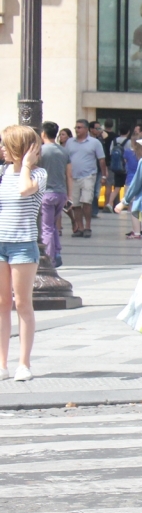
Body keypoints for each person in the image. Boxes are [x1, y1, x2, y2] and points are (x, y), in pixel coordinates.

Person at [0, 125, 46, 382]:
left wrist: (26, 165)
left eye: (7, 145)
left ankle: (23, 364)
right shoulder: (1, 173)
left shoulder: (39, 174)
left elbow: (24, 190)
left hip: (22, 245)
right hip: (0, 243)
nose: (2, 149)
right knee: (2, 303)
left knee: (22, 303)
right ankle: (2, 363)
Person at [64, 119, 106, 238]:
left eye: (80, 127)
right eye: (76, 127)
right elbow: (66, 158)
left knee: (86, 201)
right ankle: (80, 228)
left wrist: (103, 175)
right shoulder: (70, 142)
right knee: (76, 204)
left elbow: (101, 159)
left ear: (86, 129)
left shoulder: (94, 142)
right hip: (73, 177)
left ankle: (88, 227)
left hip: (89, 176)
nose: (77, 130)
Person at [38, 122, 71, 267]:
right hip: (61, 193)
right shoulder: (64, 151)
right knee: (52, 225)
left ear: (43, 134)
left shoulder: (41, 151)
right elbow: (69, 175)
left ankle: (48, 257)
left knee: (46, 227)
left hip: (46, 193)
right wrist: (69, 195)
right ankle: (57, 252)